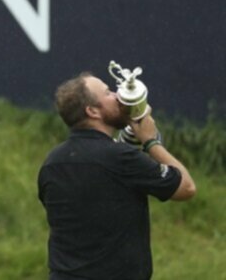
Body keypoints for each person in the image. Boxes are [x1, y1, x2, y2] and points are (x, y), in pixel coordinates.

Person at [37, 72, 196, 280]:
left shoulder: (52, 163)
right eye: (108, 93)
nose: (118, 96)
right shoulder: (121, 159)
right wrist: (150, 142)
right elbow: (186, 188)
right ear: (92, 111)